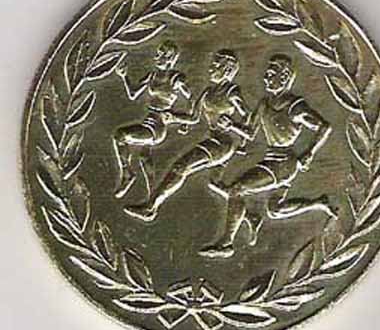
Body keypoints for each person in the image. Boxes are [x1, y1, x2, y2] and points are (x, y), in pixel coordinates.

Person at [201, 54, 337, 258]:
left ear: (285, 78)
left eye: (271, 74)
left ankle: (227, 243)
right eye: (266, 73)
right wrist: (232, 126)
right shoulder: (264, 104)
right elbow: (250, 133)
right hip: (271, 161)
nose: (266, 78)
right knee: (275, 210)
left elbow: (324, 127)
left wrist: (308, 152)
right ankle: (318, 203)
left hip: (284, 164)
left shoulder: (294, 107)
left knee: (236, 190)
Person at [125, 49, 249, 222]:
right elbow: (193, 118)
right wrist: (174, 117)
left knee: (180, 167)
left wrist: (234, 127)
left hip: (222, 144)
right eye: (212, 63)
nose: (211, 68)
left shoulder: (231, 92)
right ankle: (248, 217)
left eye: (216, 65)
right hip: (213, 141)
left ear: (228, 70)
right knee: (215, 184)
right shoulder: (207, 93)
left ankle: (150, 207)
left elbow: (249, 123)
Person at [113, 41, 191, 199]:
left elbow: (191, 99)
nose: (156, 57)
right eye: (157, 54)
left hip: (157, 126)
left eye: (161, 54)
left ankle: (127, 173)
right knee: (144, 158)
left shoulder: (176, 78)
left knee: (121, 135)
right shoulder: (152, 75)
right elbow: (133, 93)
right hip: (148, 120)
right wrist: (124, 76)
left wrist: (184, 121)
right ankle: (152, 192)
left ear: (170, 58)